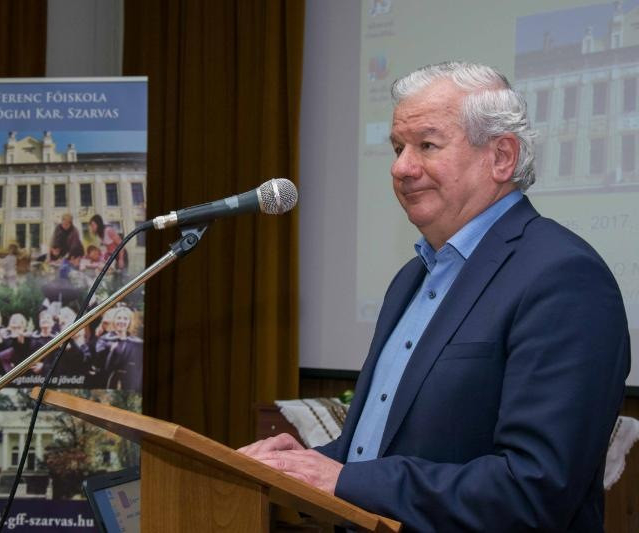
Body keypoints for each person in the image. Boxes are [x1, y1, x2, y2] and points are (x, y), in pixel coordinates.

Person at [239, 62, 630, 532]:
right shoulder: (412, 277)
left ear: (502, 157)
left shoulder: (563, 276)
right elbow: (383, 453)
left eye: (426, 145)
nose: (401, 167)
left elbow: (534, 488)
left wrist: (342, 480)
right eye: (397, 148)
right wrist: (303, 465)